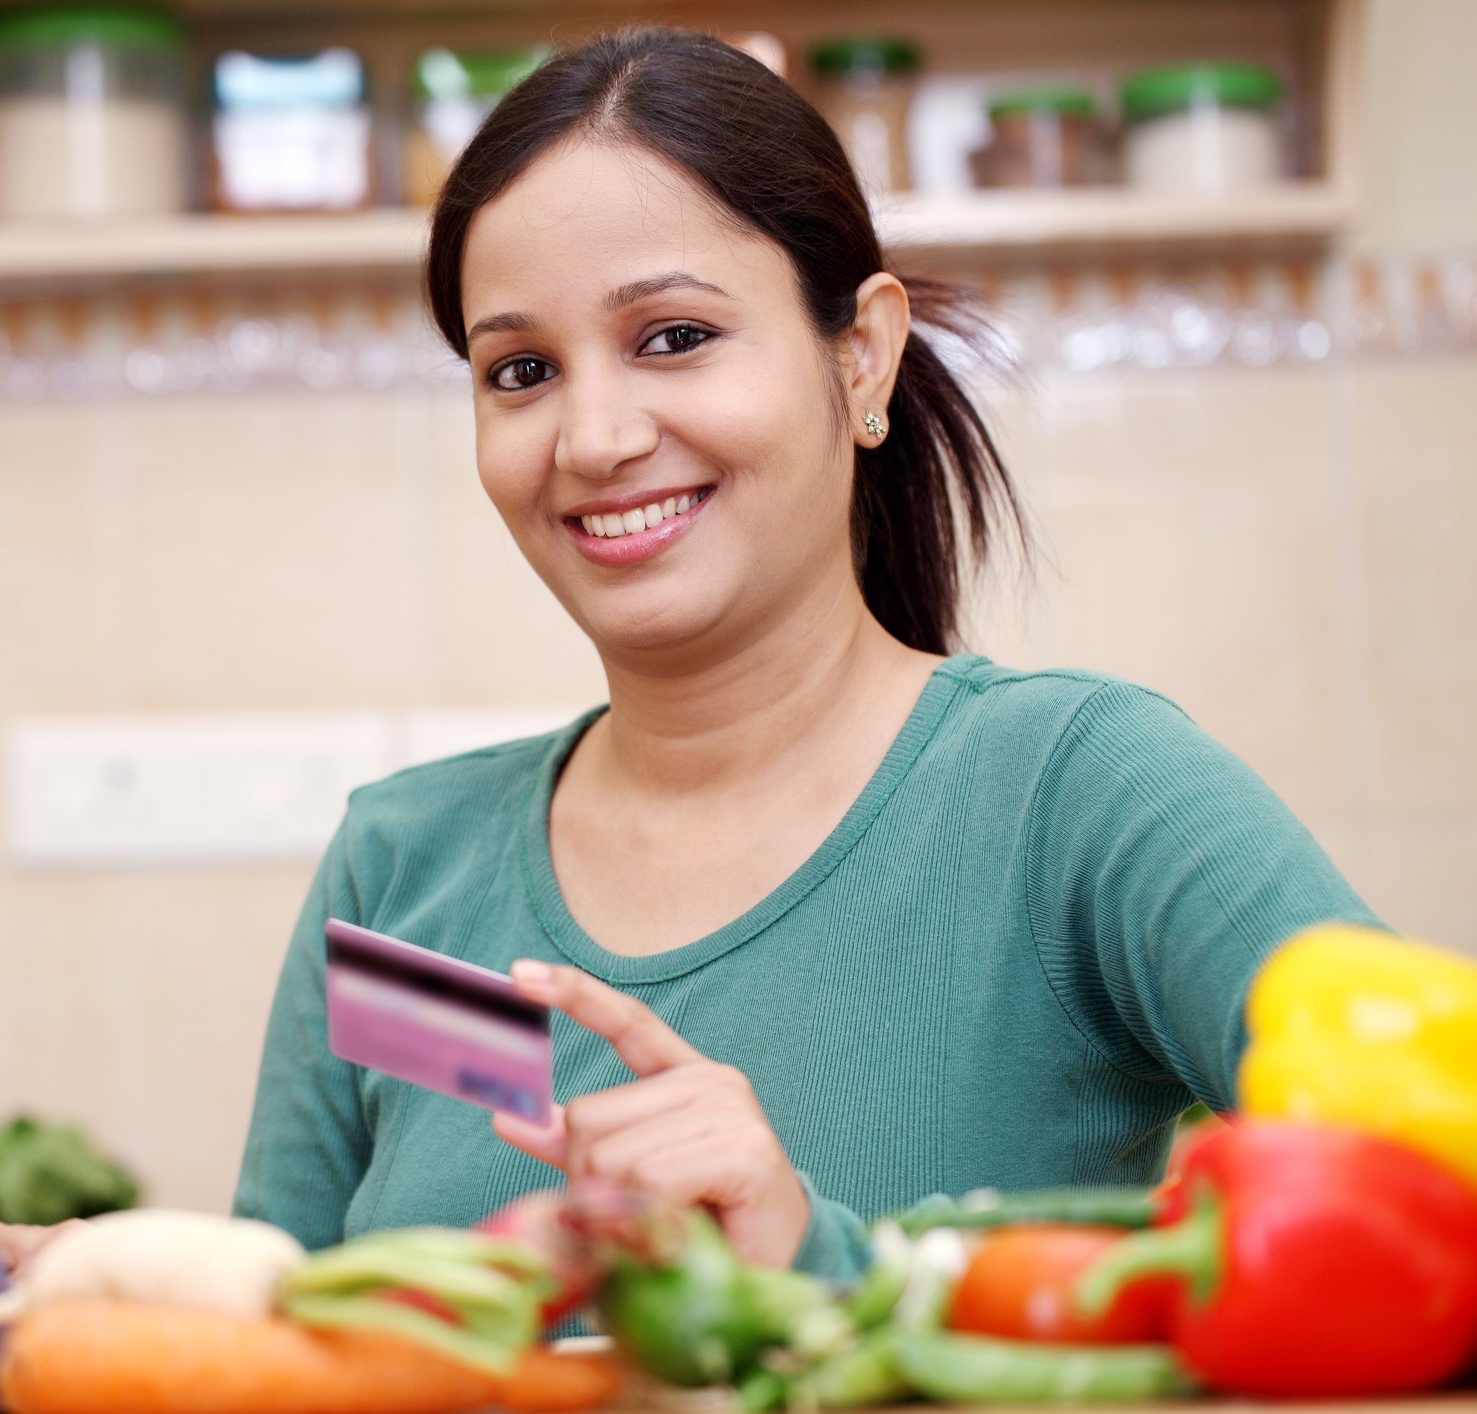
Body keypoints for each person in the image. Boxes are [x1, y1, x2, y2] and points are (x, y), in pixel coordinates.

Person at [230, 27, 1379, 1281]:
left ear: (862, 353)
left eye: (674, 336)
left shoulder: (1080, 796)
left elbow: (1435, 1203)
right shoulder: (401, 881)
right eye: (521, 369)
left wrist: (809, 1259)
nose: (594, 437)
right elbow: (268, 1339)